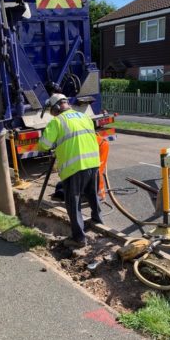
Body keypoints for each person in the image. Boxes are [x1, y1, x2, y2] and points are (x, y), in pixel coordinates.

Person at [39, 93, 103, 248]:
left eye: (51, 111)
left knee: (73, 203)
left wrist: (52, 144)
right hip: (93, 162)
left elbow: (44, 145)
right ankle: (97, 220)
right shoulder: (84, 116)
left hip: (74, 167)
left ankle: (79, 238)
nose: (52, 114)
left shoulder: (57, 122)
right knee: (92, 194)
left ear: (56, 107)